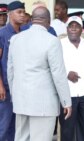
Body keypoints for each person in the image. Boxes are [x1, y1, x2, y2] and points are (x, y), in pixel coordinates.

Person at [7, 7, 72, 141]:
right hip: (43, 103)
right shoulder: (52, 41)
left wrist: (15, 95)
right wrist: (66, 101)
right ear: (48, 22)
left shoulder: (15, 39)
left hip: (21, 101)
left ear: (32, 20)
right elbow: (58, 74)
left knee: (21, 138)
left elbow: (11, 71)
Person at [0, 1, 26, 141]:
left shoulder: (25, 33)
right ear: (10, 15)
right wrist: (0, 86)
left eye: (23, 12)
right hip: (6, 88)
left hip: (20, 87)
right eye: (19, 12)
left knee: (18, 127)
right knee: (4, 126)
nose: (22, 15)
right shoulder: (2, 33)